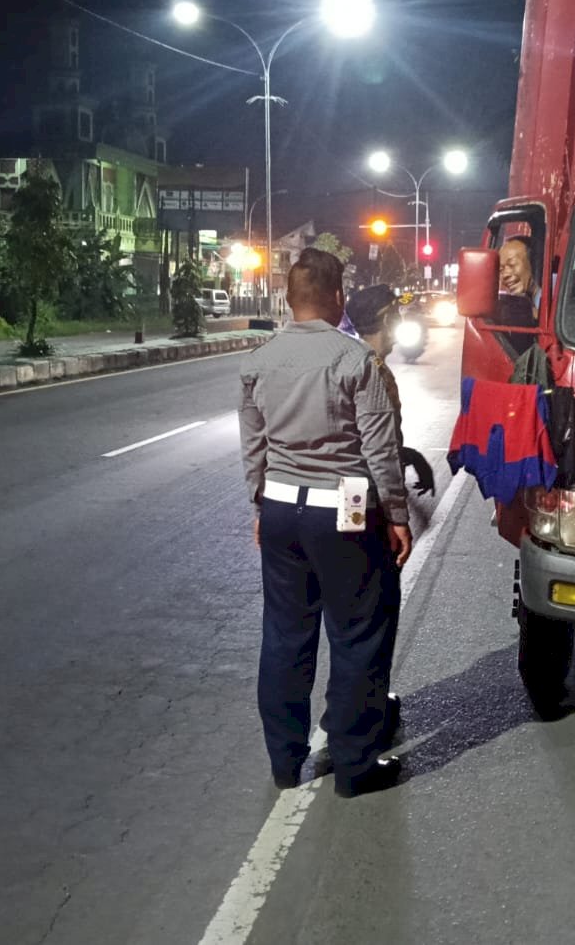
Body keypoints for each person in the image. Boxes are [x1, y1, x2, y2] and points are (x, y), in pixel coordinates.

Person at [239, 248, 410, 798]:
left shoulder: (259, 360)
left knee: (286, 635)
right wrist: (398, 517)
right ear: (338, 297)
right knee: (359, 632)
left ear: (289, 299)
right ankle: (355, 764)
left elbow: (253, 448)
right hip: (345, 509)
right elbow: (380, 449)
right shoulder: (355, 360)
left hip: (283, 511)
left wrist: (260, 505)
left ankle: (284, 762)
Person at [346, 284, 437, 496]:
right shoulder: (374, 373)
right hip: (366, 493)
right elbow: (378, 449)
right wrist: (397, 515)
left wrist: (408, 455)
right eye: (397, 314)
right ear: (388, 320)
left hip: (353, 488)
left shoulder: (351, 365)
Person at [499, 236, 541, 310]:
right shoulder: (529, 299)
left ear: (533, 263)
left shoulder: (552, 296)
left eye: (512, 265)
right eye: (501, 270)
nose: (505, 275)